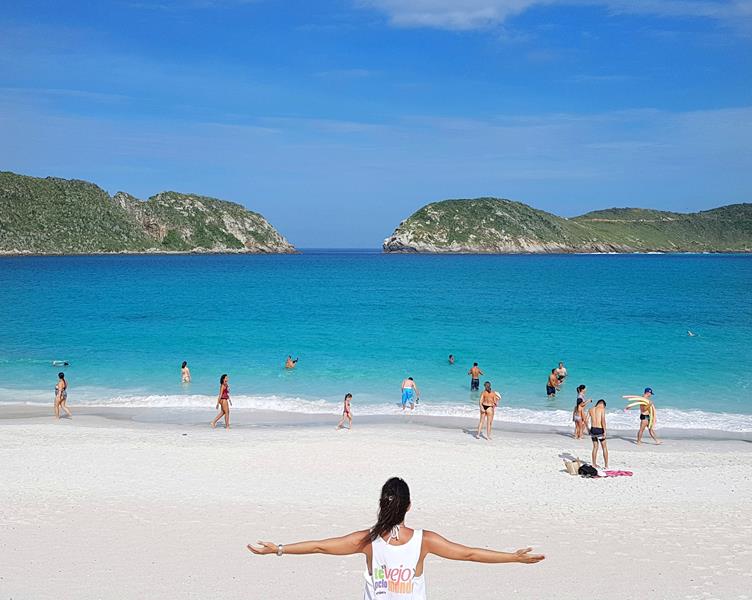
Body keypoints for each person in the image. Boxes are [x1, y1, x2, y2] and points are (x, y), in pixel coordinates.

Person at [248, 477, 544, 598]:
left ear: (381, 504)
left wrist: (279, 549)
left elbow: (320, 546)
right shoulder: (423, 540)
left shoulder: (367, 540)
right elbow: (469, 554)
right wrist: (513, 558)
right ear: (409, 506)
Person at [588, 399, 609, 469]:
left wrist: (588, 429)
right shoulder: (602, 409)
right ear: (603, 404)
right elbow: (603, 420)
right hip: (600, 430)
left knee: (595, 447)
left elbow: (585, 420)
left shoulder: (590, 409)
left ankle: (594, 464)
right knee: (604, 447)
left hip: (593, 430)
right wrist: (605, 431)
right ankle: (606, 465)